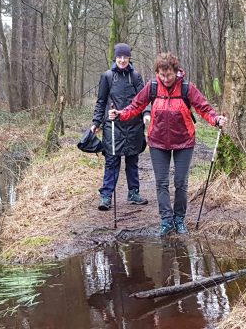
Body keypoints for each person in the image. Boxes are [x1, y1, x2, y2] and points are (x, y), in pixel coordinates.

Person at [109, 52, 226, 236]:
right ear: (157, 73)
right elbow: (136, 106)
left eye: (169, 74)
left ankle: (179, 219)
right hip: (157, 141)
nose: (166, 79)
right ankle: (166, 221)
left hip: (184, 141)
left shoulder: (187, 88)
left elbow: (204, 107)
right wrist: (120, 114)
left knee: (180, 182)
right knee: (161, 183)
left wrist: (215, 119)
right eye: (162, 75)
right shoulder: (153, 87)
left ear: (176, 71)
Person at [92, 43, 150, 211]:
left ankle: (133, 193)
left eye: (125, 57)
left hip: (134, 126)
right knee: (112, 161)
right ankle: (106, 196)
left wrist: (146, 113)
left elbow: (144, 99)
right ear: (115, 58)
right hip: (112, 126)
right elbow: (101, 102)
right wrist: (97, 122)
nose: (122, 60)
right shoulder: (107, 76)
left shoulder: (136, 77)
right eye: (119, 57)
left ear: (129, 58)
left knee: (132, 160)